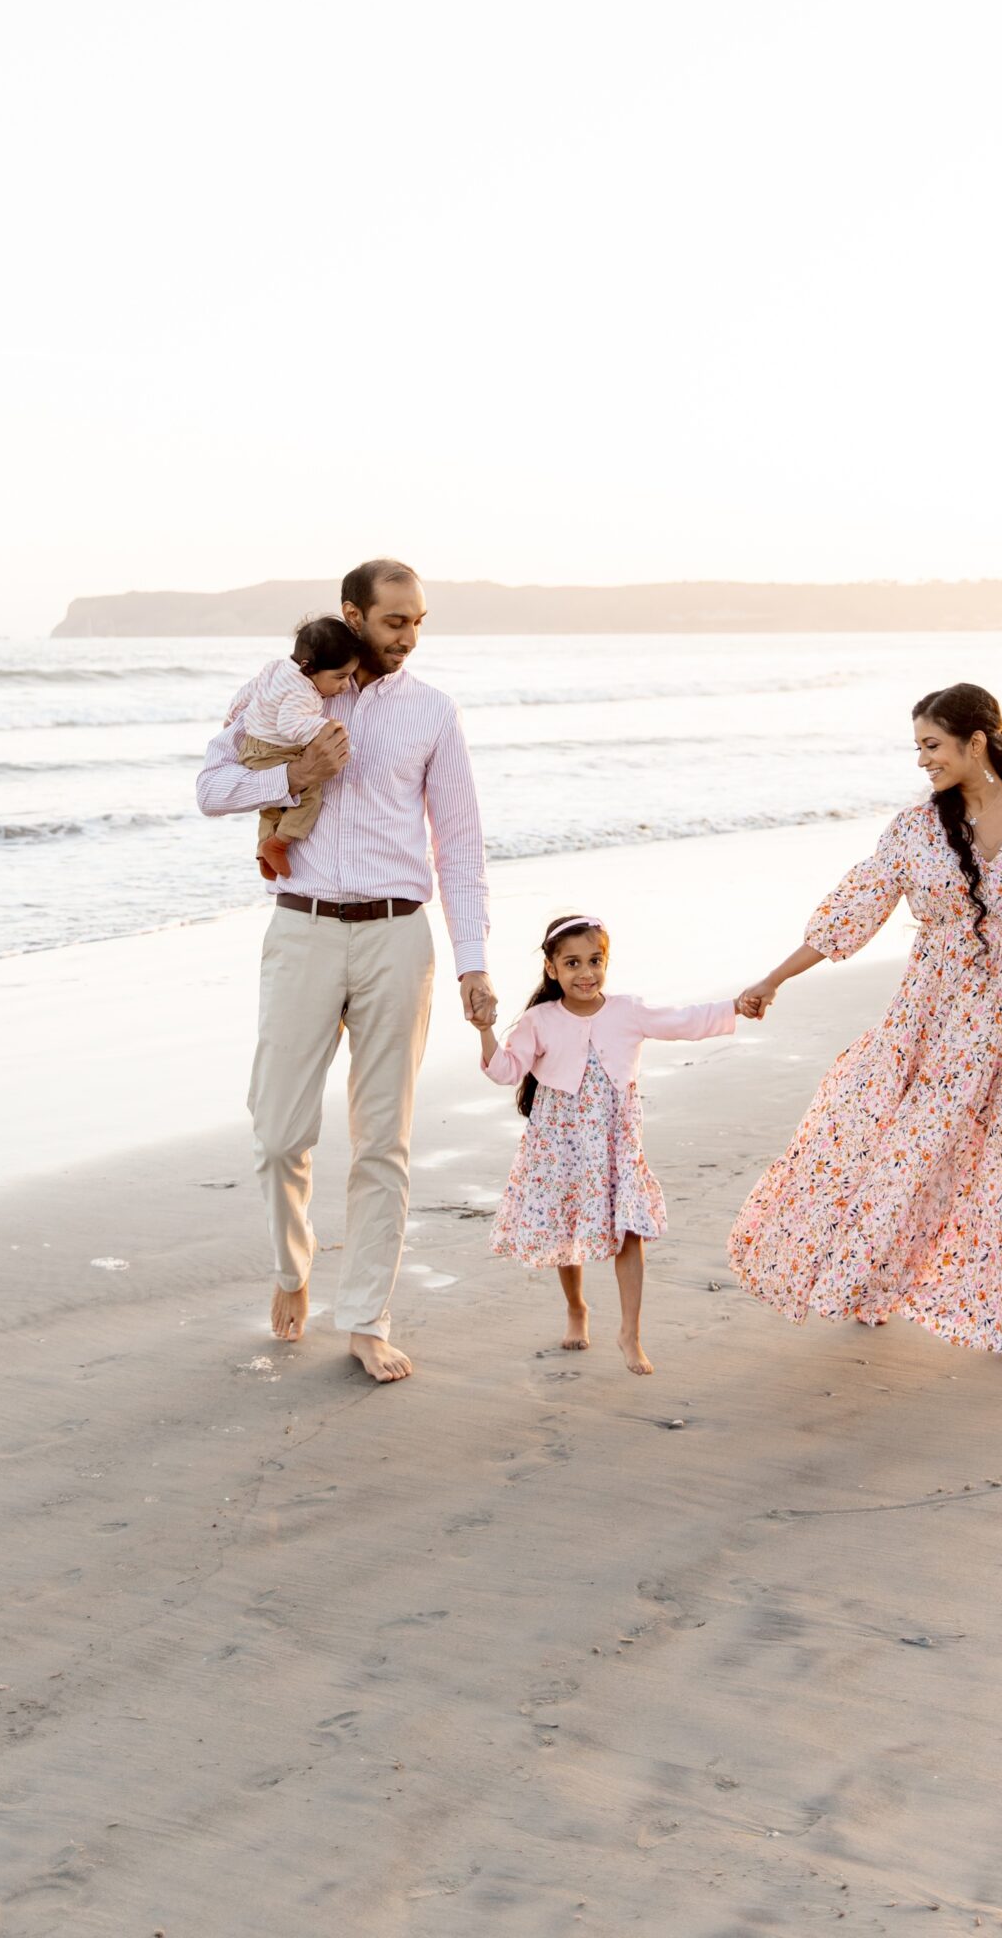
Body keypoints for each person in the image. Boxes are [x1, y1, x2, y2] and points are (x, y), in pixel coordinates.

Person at [727, 682, 1002, 1365]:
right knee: (905, 1159)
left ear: (978, 742)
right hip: (933, 1033)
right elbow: (851, 912)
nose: (922, 761)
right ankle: (872, 1281)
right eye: (917, 747)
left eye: (932, 745)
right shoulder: (914, 831)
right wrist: (773, 979)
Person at [196, 559, 495, 1384]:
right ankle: (293, 1271)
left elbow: (460, 845)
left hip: (400, 937)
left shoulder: (432, 712)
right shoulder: (284, 693)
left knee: (382, 1144)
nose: (408, 636)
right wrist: (297, 774)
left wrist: (473, 962)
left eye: (418, 622)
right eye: (394, 620)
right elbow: (210, 786)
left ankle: (365, 1316)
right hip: (304, 929)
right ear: (351, 615)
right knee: (279, 1131)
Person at [476, 913, 740, 1375]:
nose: (586, 973)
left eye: (595, 961)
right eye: (573, 963)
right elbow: (505, 1071)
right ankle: (577, 1308)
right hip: (559, 1145)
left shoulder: (627, 1011)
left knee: (629, 1231)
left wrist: (737, 1006)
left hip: (617, 1144)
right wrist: (484, 1030)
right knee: (566, 1230)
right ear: (552, 969)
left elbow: (684, 1021)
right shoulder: (539, 1020)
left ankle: (629, 1333)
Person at [234, 614, 364, 881]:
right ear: (308, 668)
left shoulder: (275, 667)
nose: (344, 685)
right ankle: (279, 843)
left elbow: (249, 692)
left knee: (271, 806)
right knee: (310, 795)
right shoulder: (303, 691)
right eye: (340, 677)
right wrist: (325, 728)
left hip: (253, 747)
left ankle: (263, 851)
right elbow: (290, 726)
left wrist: (232, 716)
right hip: (275, 750)